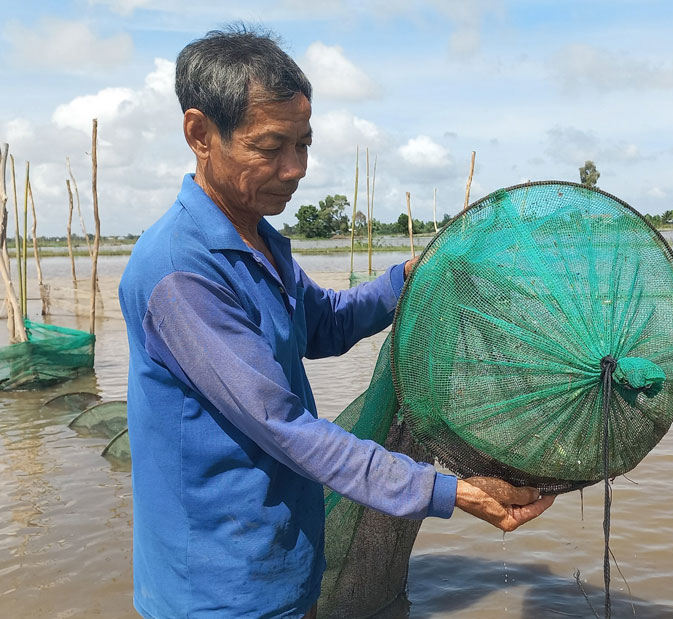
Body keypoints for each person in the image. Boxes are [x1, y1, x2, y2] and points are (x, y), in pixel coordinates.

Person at [119, 25, 554, 619]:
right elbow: (284, 426)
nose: (296, 168)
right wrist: (449, 489)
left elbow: (321, 323)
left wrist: (408, 277)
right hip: (217, 589)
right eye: (271, 148)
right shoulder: (180, 272)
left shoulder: (257, 239)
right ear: (199, 133)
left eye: (304, 144)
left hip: (282, 558)